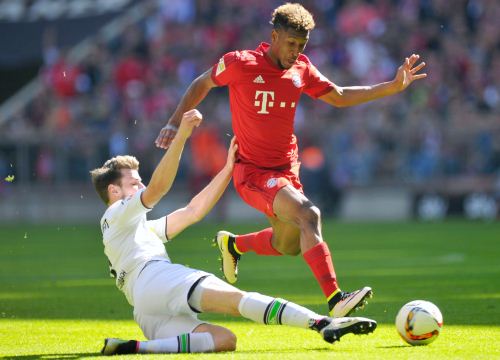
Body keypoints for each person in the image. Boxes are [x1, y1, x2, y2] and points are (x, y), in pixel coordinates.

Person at [155, 3, 427, 317]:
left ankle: (234, 245)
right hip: (253, 172)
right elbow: (201, 82)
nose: (295, 51)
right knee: (309, 215)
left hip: (286, 170)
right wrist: (174, 122)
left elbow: (337, 96)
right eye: (291, 44)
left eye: (301, 46)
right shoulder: (241, 63)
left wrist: (391, 87)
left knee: (291, 245)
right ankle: (336, 300)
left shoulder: (302, 69)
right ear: (274, 36)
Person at [90, 109, 377, 355]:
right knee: (238, 301)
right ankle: (322, 323)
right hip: (155, 278)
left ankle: (133, 347)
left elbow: (192, 212)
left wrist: (228, 168)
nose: (139, 187)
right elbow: (157, 190)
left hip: (145, 307)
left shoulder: (134, 228)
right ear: (114, 191)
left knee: (225, 340)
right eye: (133, 183)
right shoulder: (116, 212)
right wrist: (183, 135)